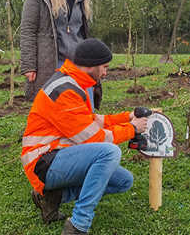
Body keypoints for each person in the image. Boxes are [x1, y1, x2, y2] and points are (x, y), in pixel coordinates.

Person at [21, 38, 148, 235]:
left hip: (58, 156)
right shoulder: (64, 91)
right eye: (104, 67)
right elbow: (94, 139)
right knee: (109, 153)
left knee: (123, 180)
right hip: (43, 163)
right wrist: (132, 129)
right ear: (91, 65)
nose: (106, 72)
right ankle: (78, 224)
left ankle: (53, 197)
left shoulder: (73, 83)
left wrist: (127, 117)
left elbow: (92, 121)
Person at [20, 0, 97, 108]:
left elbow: (83, 32)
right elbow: (28, 31)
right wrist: (29, 65)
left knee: (85, 107)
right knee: (58, 109)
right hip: (53, 62)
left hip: (79, 63)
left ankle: (87, 133)